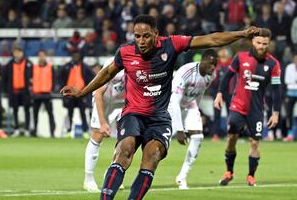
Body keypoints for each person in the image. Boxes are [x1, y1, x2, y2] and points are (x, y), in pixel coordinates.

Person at [61, 14, 261, 200]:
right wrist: (82, 92)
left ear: (156, 34)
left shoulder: (171, 45)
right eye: (137, 36)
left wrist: (242, 34)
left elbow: (212, 40)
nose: (141, 40)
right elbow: (106, 73)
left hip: (159, 118)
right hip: (133, 114)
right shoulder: (126, 52)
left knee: (152, 156)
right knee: (124, 150)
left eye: (146, 36)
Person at [214, 28, 281, 186]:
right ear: (253, 41)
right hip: (237, 106)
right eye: (258, 43)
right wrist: (219, 94)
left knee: (255, 142)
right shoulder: (241, 57)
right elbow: (228, 76)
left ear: (268, 44)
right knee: (232, 138)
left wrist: (275, 112)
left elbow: (277, 90)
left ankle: (251, 176)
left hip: (256, 110)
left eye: (264, 44)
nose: (261, 46)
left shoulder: (273, 64)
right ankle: (229, 171)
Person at [168, 49, 218, 189]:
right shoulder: (185, 72)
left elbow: (199, 93)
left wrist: (197, 111)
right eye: (210, 63)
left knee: (198, 137)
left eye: (215, 64)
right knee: (162, 145)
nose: (213, 67)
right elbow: (175, 101)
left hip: (190, 105)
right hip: (172, 106)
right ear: (202, 61)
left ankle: (182, 177)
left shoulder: (210, 75)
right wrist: (180, 130)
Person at [83, 57, 126, 192]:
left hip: (123, 102)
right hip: (104, 100)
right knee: (97, 135)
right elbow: (98, 93)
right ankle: (88, 179)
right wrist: (102, 122)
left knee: (126, 139)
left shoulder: (140, 65)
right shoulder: (113, 65)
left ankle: (112, 175)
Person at [60, 50, 95, 137]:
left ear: (79, 56)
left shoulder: (84, 67)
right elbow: (60, 78)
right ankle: (68, 131)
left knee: (83, 113)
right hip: (69, 94)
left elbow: (93, 77)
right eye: (74, 55)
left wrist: (87, 89)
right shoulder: (67, 67)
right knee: (69, 113)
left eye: (76, 55)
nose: (75, 57)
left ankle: (85, 131)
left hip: (81, 93)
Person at [4, 44, 32, 137]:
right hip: (14, 91)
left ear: (22, 53)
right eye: (16, 52)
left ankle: (27, 129)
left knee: (26, 110)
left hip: (25, 91)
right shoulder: (9, 64)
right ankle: (16, 129)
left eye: (19, 52)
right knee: (15, 110)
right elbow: (6, 78)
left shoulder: (28, 63)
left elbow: (32, 77)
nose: (17, 54)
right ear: (13, 53)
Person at [32, 50, 56, 137]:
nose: (41, 57)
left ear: (45, 56)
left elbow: (54, 79)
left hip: (46, 93)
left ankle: (52, 132)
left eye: (43, 55)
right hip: (36, 93)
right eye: (40, 55)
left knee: (50, 114)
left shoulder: (50, 67)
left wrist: (52, 89)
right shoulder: (34, 67)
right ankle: (34, 132)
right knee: (35, 114)